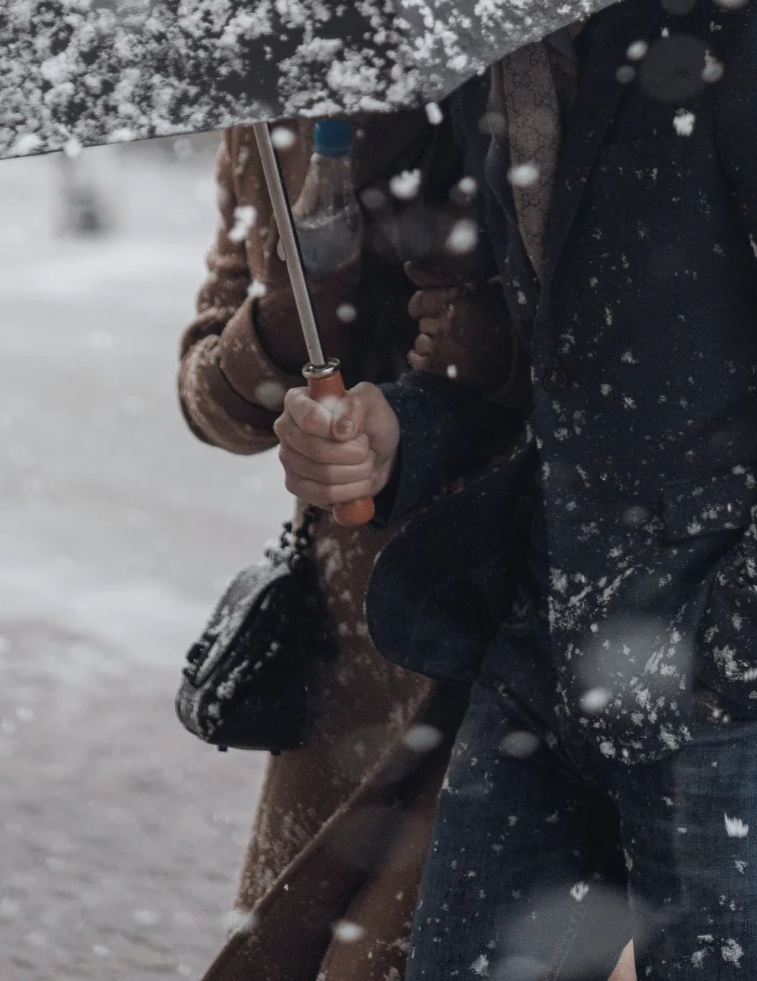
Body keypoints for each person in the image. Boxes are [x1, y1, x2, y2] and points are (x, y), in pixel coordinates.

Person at [271, 0, 757, 981]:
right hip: (550, 653)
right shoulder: (516, 50)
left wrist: (736, 650)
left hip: (743, 687)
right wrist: (399, 432)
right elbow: (550, 383)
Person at [178, 110, 513, 981]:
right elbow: (209, 398)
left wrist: (479, 348)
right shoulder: (263, 118)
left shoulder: (507, 77)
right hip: (349, 634)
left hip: (500, 596)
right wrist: (290, 319)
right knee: (300, 941)